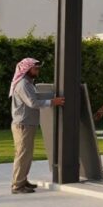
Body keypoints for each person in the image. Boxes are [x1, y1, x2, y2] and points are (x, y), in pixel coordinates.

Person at [9, 58, 64, 194]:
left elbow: (36, 98)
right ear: (27, 69)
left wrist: (51, 97)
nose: (38, 71)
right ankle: (17, 186)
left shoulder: (28, 83)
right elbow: (32, 103)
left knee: (26, 155)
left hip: (27, 124)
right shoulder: (23, 84)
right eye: (36, 68)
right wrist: (53, 102)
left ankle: (22, 180)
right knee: (23, 155)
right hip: (23, 125)